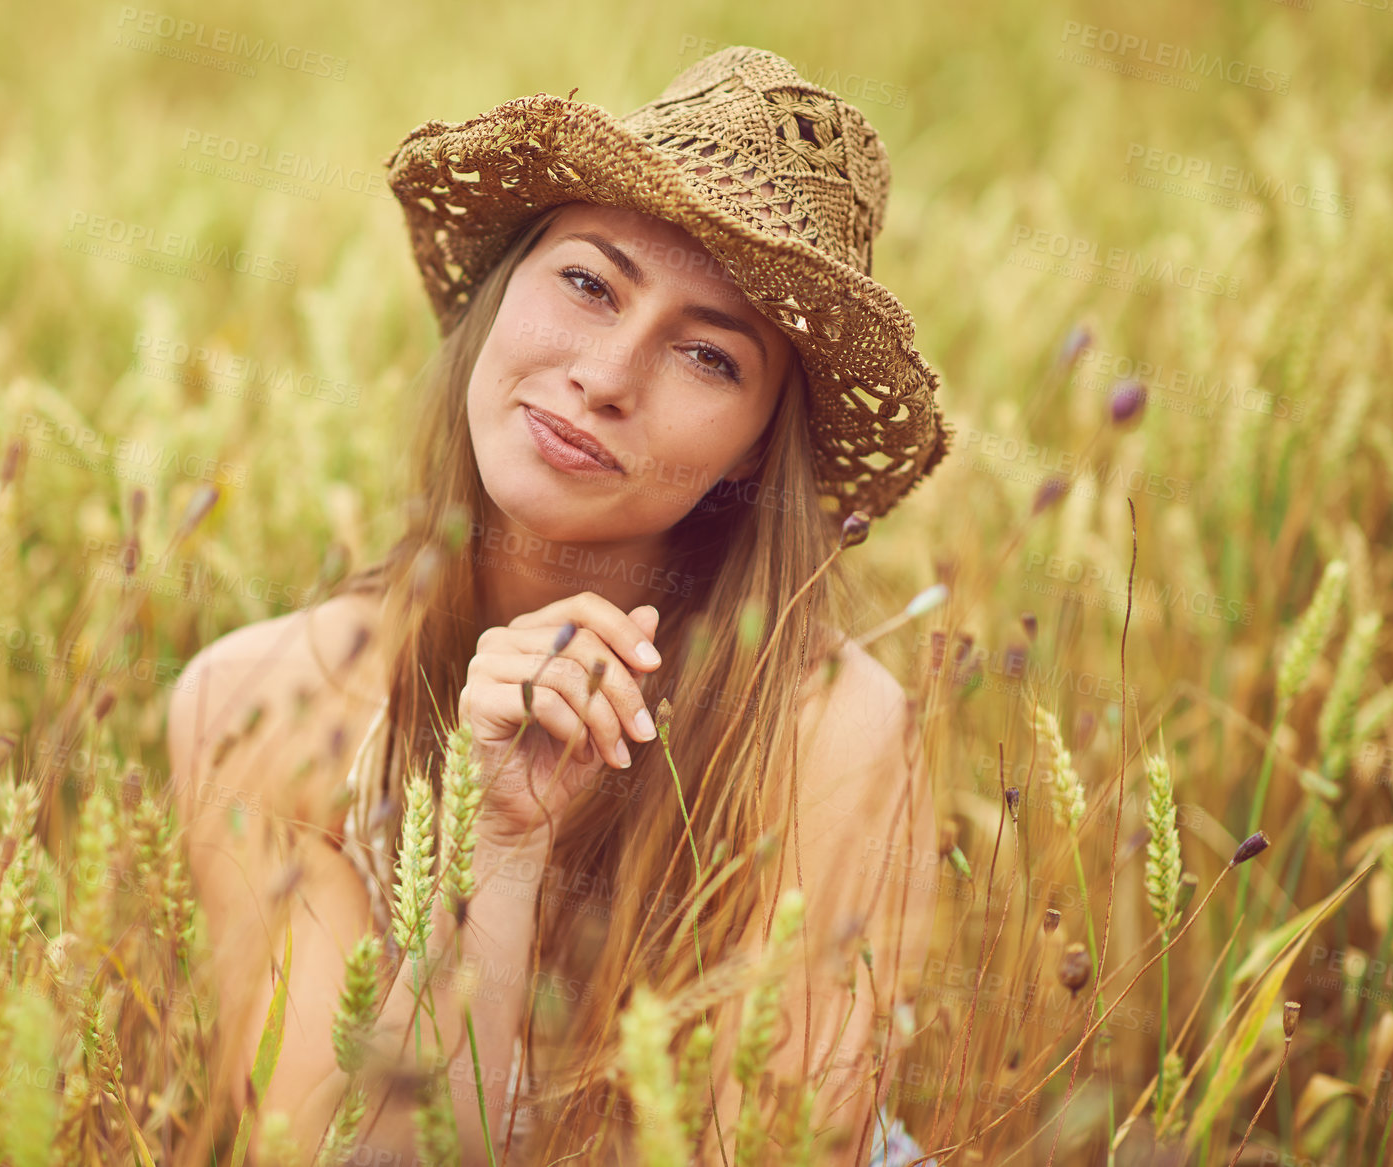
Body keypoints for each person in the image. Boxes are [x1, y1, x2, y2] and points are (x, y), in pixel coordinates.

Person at [170, 45, 950, 1165]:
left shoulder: (823, 729)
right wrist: (495, 847)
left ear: (747, 458)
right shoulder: (261, 708)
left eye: (707, 357)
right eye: (588, 283)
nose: (607, 373)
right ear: (498, 295)